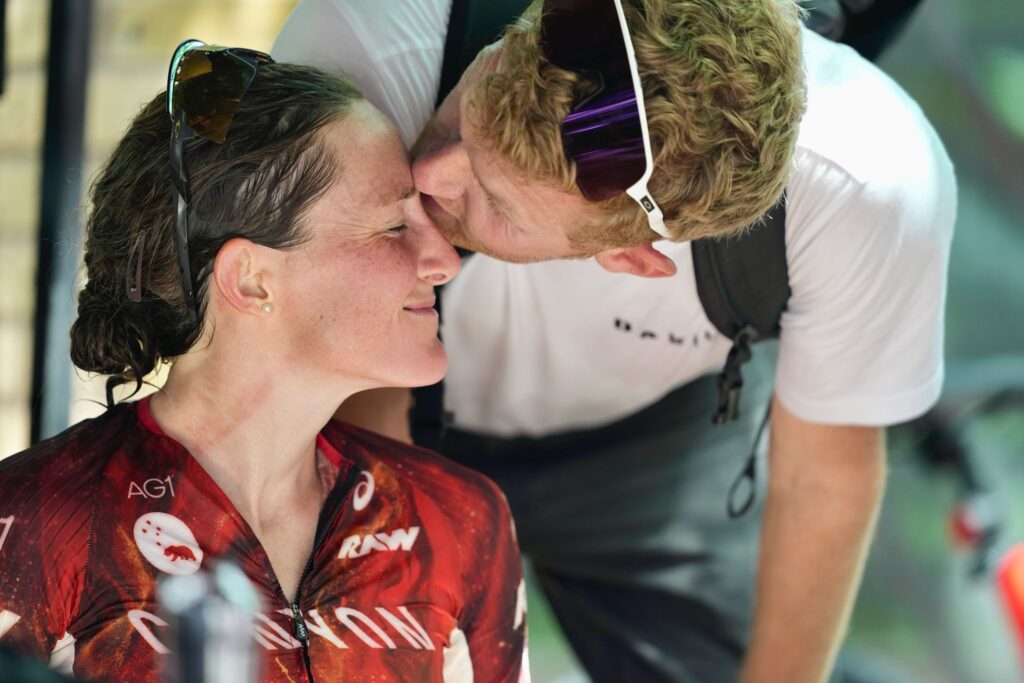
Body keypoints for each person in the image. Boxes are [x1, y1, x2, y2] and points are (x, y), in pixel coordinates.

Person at [274, 0, 956, 681]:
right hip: (383, 398)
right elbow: (337, 364)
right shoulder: (369, 42)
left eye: (496, 201)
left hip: (654, 445)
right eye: (462, 116)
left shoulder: (868, 185)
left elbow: (821, 480)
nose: (429, 174)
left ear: (633, 258)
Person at [0, 42, 529, 683]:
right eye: (394, 227)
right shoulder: (35, 524)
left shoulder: (459, 518)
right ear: (251, 281)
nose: (443, 260)